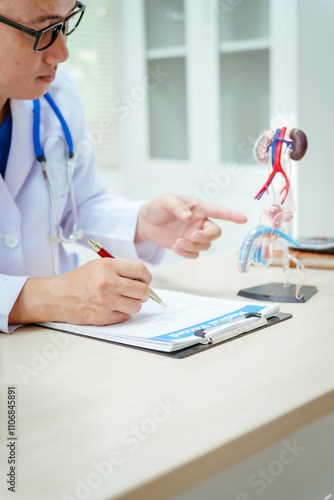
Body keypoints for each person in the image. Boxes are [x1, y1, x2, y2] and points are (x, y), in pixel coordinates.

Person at [0, 0, 247, 333]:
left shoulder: (56, 94)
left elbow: (78, 204)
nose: (61, 52)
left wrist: (142, 222)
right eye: (44, 30)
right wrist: (42, 298)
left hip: (52, 340)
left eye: (63, 25)